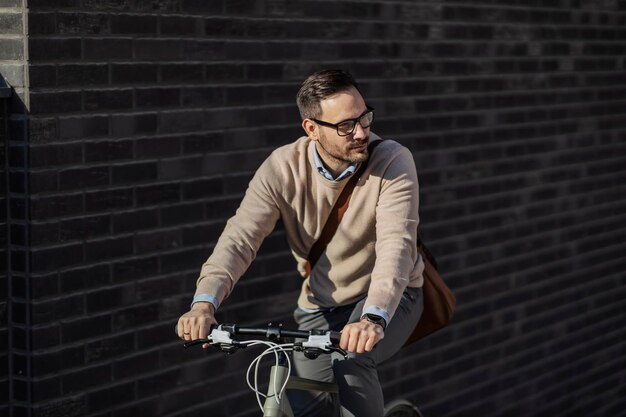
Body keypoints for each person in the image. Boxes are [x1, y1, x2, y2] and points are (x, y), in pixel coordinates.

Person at [177, 69, 425, 417]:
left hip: (389, 298)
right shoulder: (282, 168)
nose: (361, 132)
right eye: (345, 126)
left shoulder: (393, 162)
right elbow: (239, 238)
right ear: (311, 129)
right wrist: (204, 303)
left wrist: (372, 317)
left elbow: (396, 248)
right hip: (321, 303)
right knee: (306, 408)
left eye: (364, 117)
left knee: (351, 360)